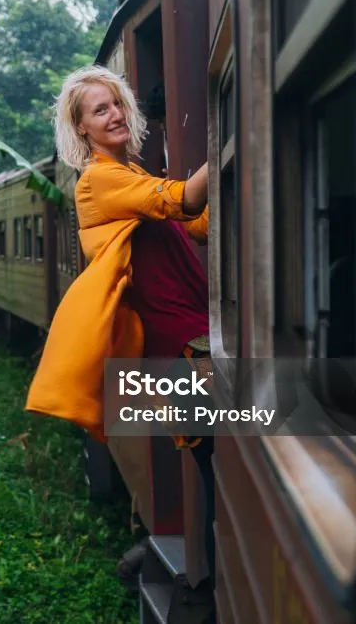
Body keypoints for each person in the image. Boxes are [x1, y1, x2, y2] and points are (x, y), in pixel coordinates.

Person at [24, 64, 215, 607]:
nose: (113, 114)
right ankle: (210, 595)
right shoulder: (100, 180)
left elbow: (193, 225)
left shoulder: (130, 174)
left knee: (219, 466)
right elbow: (187, 202)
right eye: (99, 109)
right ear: (82, 128)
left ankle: (208, 589)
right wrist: (233, 143)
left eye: (116, 104)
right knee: (220, 467)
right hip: (179, 348)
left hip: (193, 339)